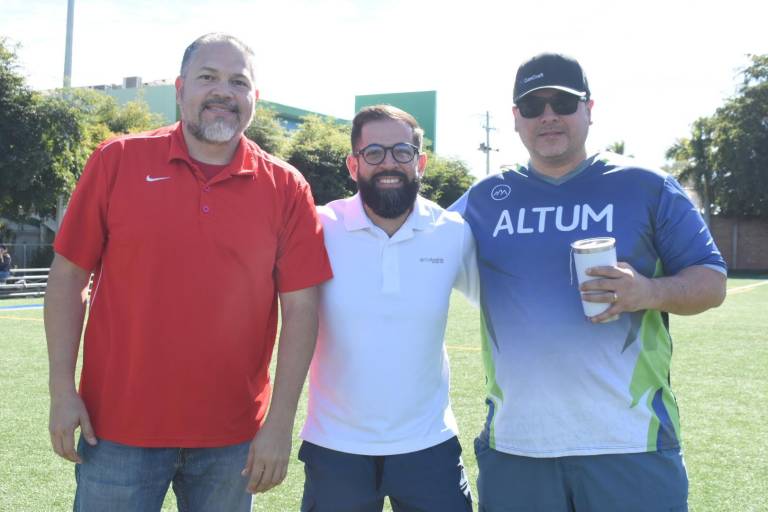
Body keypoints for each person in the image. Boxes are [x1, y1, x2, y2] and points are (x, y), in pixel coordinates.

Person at [44, 33, 332, 511]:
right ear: (180, 89)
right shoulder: (116, 160)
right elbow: (68, 276)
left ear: (254, 99)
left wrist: (280, 422)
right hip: (116, 430)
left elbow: (302, 308)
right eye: (208, 77)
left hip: (233, 439)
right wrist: (61, 389)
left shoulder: (286, 186)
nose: (224, 91)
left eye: (238, 82)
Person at [451, 53, 727, 511]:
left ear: (589, 109)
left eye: (562, 101)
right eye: (533, 106)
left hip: (630, 445)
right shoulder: (483, 200)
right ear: (516, 118)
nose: (549, 116)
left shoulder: (647, 185)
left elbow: (711, 281)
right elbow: (417, 249)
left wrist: (648, 292)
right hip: (518, 449)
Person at [298, 105, 478, 512]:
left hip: (429, 445)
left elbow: (502, 307)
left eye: (402, 151)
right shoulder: (318, 227)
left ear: (421, 162)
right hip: (335, 447)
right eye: (374, 152)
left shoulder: (453, 232)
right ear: (352, 163)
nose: (389, 163)